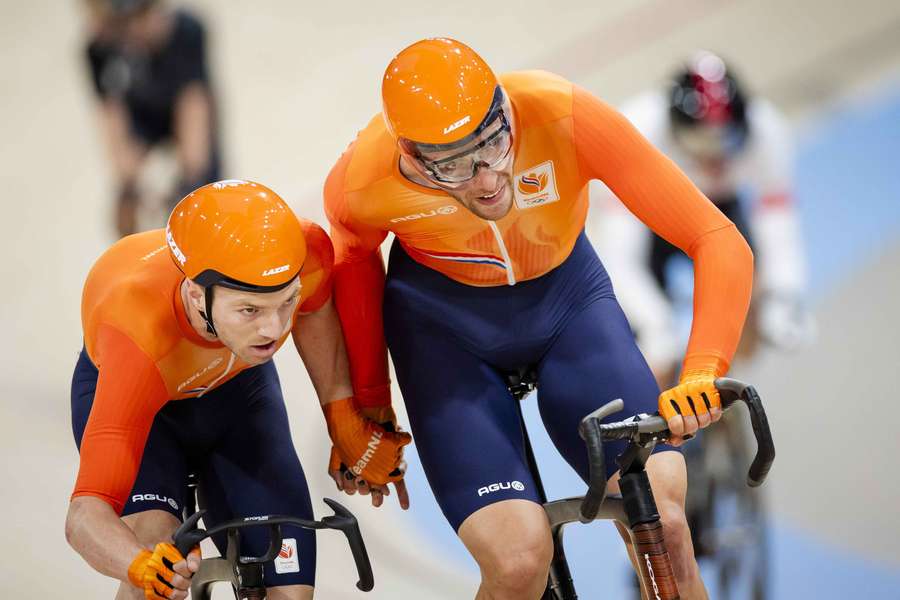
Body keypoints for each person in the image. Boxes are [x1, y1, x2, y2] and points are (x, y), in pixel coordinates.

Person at [324, 38, 753, 599]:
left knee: (666, 529)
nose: (487, 178)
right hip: (444, 334)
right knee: (520, 560)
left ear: (505, 108)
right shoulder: (362, 177)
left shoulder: (561, 113)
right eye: (454, 165)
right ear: (411, 157)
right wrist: (368, 406)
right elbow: (352, 270)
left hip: (569, 307)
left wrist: (701, 369)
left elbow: (716, 237)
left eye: (495, 142)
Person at [65, 180, 409, 599]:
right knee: (154, 562)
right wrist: (139, 566)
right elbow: (84, 514)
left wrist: (341, 415)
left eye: (286, 303)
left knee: (290, 592)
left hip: (238, 392)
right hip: (148, 411)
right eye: (249, 310)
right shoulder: (136, 331)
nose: (274, 328)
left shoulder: (306, 252)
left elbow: (315, 308)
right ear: (196, 296)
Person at [590, 50, 814, 386]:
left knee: (750, 307)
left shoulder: (767, 129)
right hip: (649, 217)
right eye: (701, 143)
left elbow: (777, 222)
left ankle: (724, 390)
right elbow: (618, 257)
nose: (714, 157)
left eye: (726, 141)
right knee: (649, 352)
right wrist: (655, 324)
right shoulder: (636, 131)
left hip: (718, 210)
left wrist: (782, 294)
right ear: (675, 128)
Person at [83, 0, 222, 237]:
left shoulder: (187, 32)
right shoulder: (102, 47)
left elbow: (193, 108)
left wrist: (190, 180)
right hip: (143, 115)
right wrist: (128, 185)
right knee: (126, 204)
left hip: (181, 101)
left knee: (203, 190)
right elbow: (112, 117)